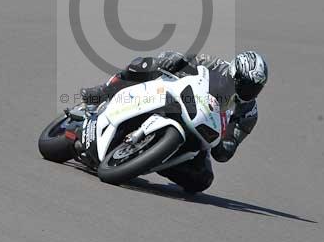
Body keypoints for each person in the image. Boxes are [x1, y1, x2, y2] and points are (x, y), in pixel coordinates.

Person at [79, 50, 268, 193]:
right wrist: (172, 59)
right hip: (178, 100)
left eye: (255, 88)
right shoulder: (217, 66)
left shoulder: (249, 113)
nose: (249, 92)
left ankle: (153, 160)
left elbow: (226, 150)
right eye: (246, 84)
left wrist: (226, 143)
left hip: (199, 132)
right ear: (235, 73)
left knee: (202, 180)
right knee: (145, 64)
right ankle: (102, 92)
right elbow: (187, 58)